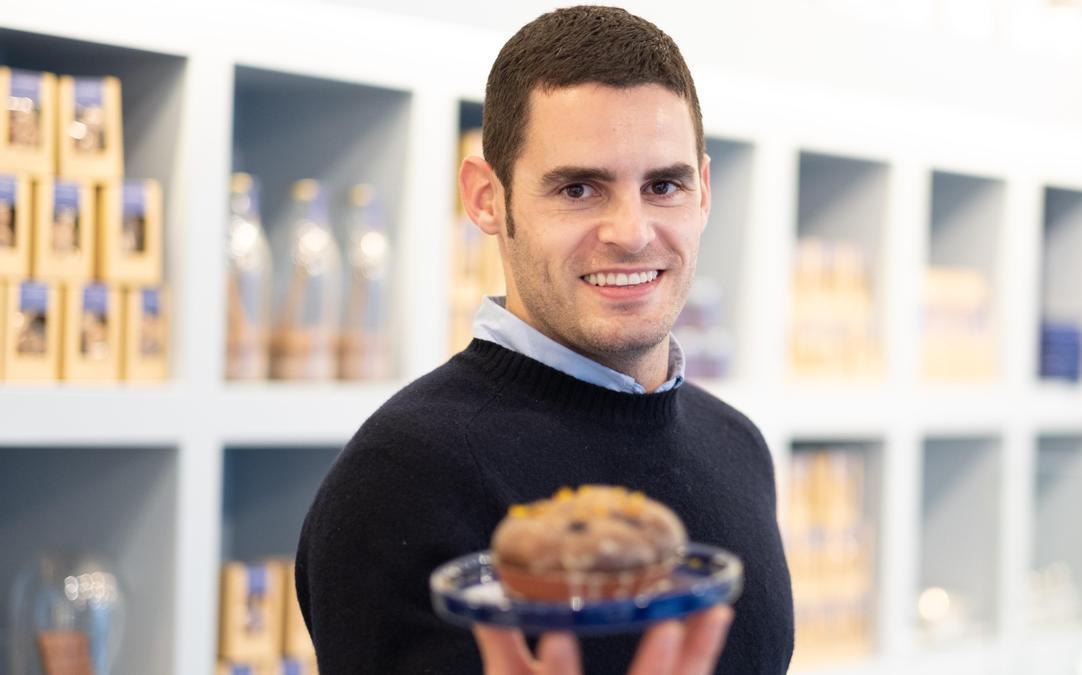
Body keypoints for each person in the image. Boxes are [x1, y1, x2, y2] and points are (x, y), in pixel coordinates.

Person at [296, 6, 794, 673]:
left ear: (703, 192)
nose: (631, 231)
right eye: (579, 187)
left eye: (664, 185)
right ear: (486, 198)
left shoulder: (737, 446)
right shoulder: (400, 479)